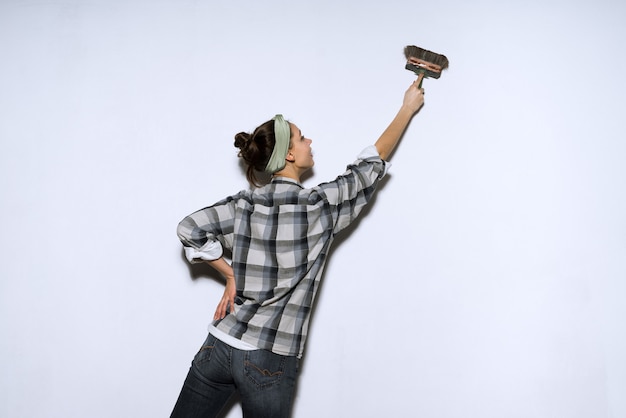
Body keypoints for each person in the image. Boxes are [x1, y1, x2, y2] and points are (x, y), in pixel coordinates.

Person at [171, 75, 426, 418]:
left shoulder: (244, 204)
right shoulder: (318, 206)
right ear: (290, 154)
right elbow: (371, 163)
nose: (309, 141)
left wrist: (229, 275)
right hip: (269, 356)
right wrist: (407, 109)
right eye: (302, 137)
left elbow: (188, 229)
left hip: (218, 345)